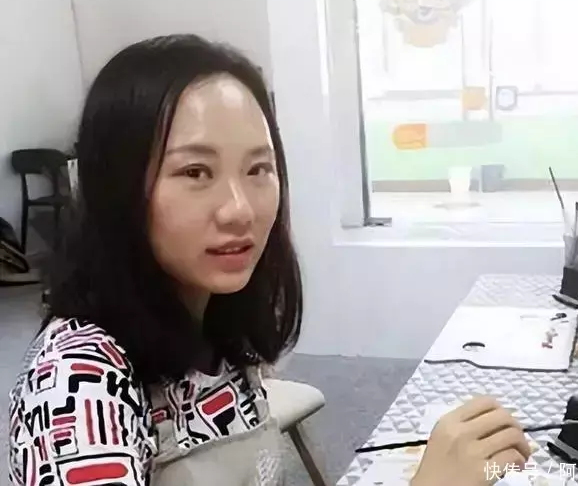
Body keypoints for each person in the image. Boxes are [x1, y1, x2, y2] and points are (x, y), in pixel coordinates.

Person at [8, 34, 530, 486]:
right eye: (195, 173)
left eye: (259, 169)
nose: (240, 209)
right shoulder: (75, 387)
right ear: (117, 188)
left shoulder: (217, 323)